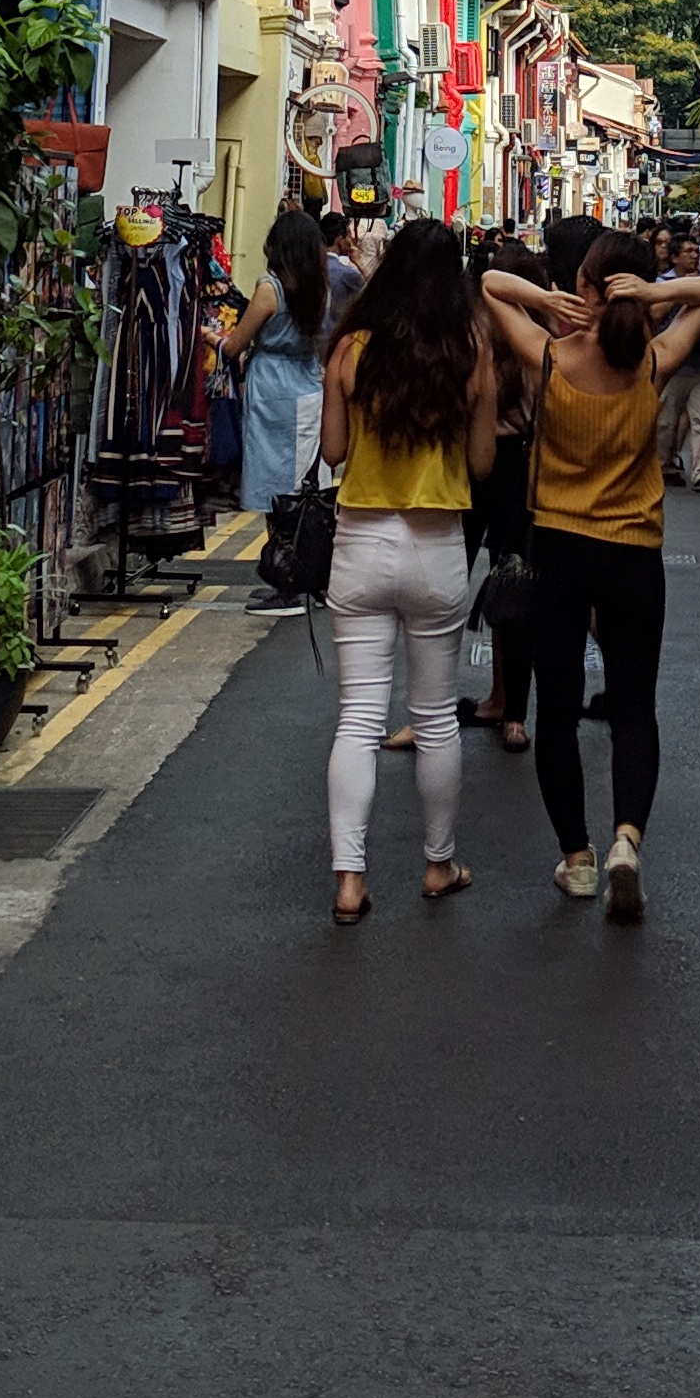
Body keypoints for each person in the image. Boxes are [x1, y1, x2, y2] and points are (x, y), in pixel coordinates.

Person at [480, 236, 700, 922]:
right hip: (633, 552)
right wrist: (653, 296)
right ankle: (626, 842)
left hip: (559, 548)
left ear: (583, 285)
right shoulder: (652, 363)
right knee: (635, 708)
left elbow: (492, 284)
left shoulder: (551, 357)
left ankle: (577, 859)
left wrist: (545, 299)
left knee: (557, 710)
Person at [319, 217, 500, 925]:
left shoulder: (352, 348)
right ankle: (438, 864)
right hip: (436, 546)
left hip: (360, 541)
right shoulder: (471, 350)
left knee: (359, 717)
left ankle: (349, 880)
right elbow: (482, 464)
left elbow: (334, 452)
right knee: (435, 717)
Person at [463, 236, 547, 750]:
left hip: (472, 466)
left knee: (447, 587)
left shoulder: (473, 334)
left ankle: (428, 708)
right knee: (514, 588)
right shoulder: (541, 339)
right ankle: (512, 713)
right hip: (521, 469)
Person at [228, 206, 337, 521]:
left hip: (270, 387)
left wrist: (209, 336)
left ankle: (279, 545)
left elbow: (234, 346)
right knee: (304, 482)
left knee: (273, 487)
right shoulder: (320, 289)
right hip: (308, 384)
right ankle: (300, 545)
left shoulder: (270, 289)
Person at [653, 222, 700, 492]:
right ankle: (665, 466)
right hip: (673, 366)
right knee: (665, 421)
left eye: (696, 251)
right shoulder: (661, 285)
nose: (695, 256)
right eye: (688, 252)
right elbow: (656, 314)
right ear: (674, 258)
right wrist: (680, 290)